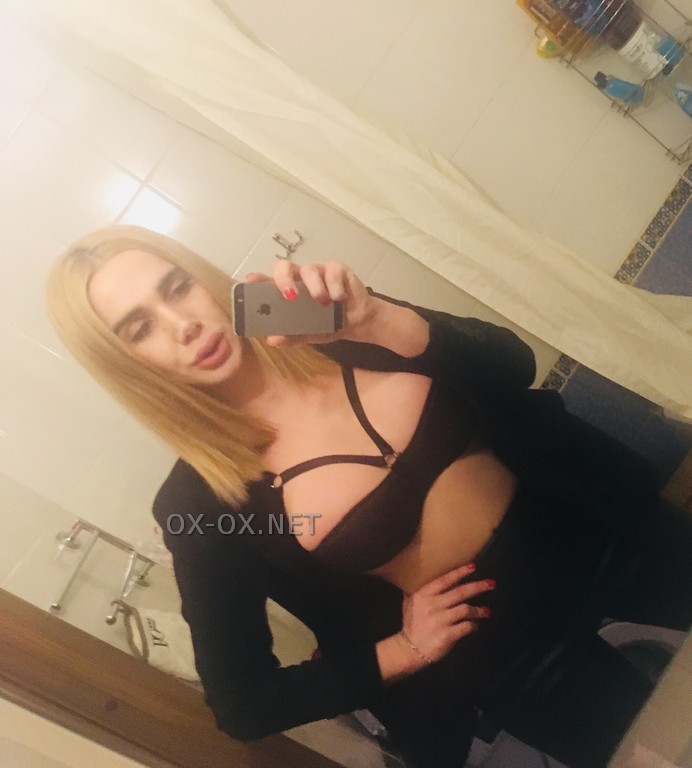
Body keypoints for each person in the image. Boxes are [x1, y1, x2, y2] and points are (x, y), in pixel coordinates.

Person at [46, 225, 692, 768]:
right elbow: (243, 703)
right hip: (517, 658)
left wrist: (380, 319)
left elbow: (511, 366)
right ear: (127, 365)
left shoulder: (325, 323)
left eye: (176, 287)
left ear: (204, 278)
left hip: (611, 532)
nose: (183, 324)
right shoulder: (201, 505)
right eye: (140, 328)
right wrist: (403, 651)